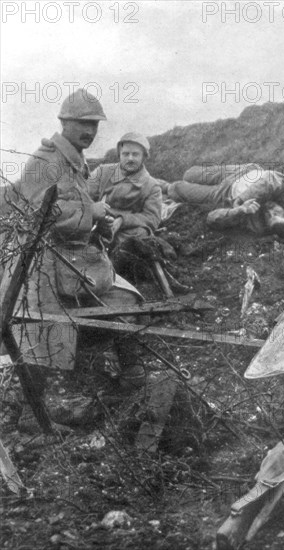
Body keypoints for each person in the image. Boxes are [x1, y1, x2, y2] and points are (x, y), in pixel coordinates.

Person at [1, 89, 146, 432]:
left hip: (75, 261)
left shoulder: (75, 161)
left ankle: (133, 383)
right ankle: (32, 418)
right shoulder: (45, 161)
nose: (90, 130)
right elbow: (36, 212)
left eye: (94, 124)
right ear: (64, 122)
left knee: (125, 300)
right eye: (83, 123)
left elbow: (67, 209)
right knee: (41, 336)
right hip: (39, 265)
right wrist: (89, 211)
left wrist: (99, 221)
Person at [162, 164, 284, 236]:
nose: (269, 209)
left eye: (269, 215)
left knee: (177, 188)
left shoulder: (254, 222)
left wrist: (237, 210)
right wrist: (243, 199)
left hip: (224, 193)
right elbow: (270, 178)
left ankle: (156, 184)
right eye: (276, 212)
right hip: (245, 170)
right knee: (190, 173)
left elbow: (212, 218)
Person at [87, 132, 163, 265]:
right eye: (125, 154)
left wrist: (122, 220)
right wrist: (95, 210)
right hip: (97, 222)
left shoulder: (152, 186)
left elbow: (152, 218)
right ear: (119, 155)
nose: (130, 158)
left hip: (126, 231)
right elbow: (83, 196)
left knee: (141, 234)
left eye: (136, 154)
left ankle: (113, 259)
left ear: (144, 156)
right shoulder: (102, 172)